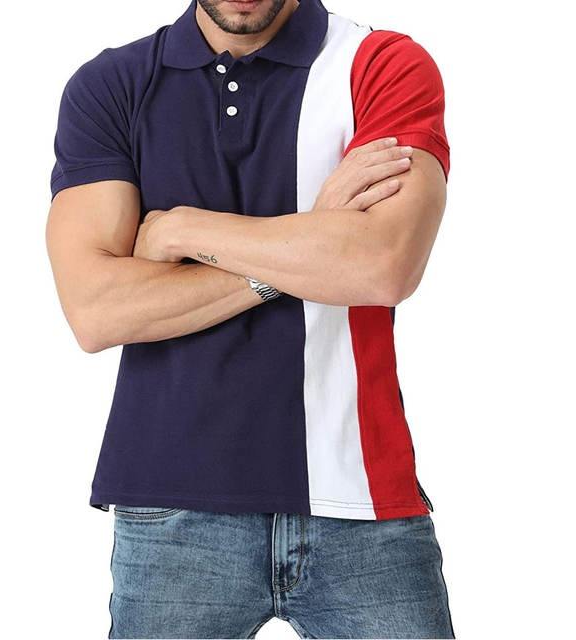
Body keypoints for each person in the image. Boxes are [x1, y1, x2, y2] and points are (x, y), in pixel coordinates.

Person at [46, 0, 454, 637]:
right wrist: (313, 240)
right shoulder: (112, 85)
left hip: (362, 499)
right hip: (170, 506)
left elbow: (383, 266)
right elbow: (96, 310)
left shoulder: (379, 65)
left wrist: (182, 229)